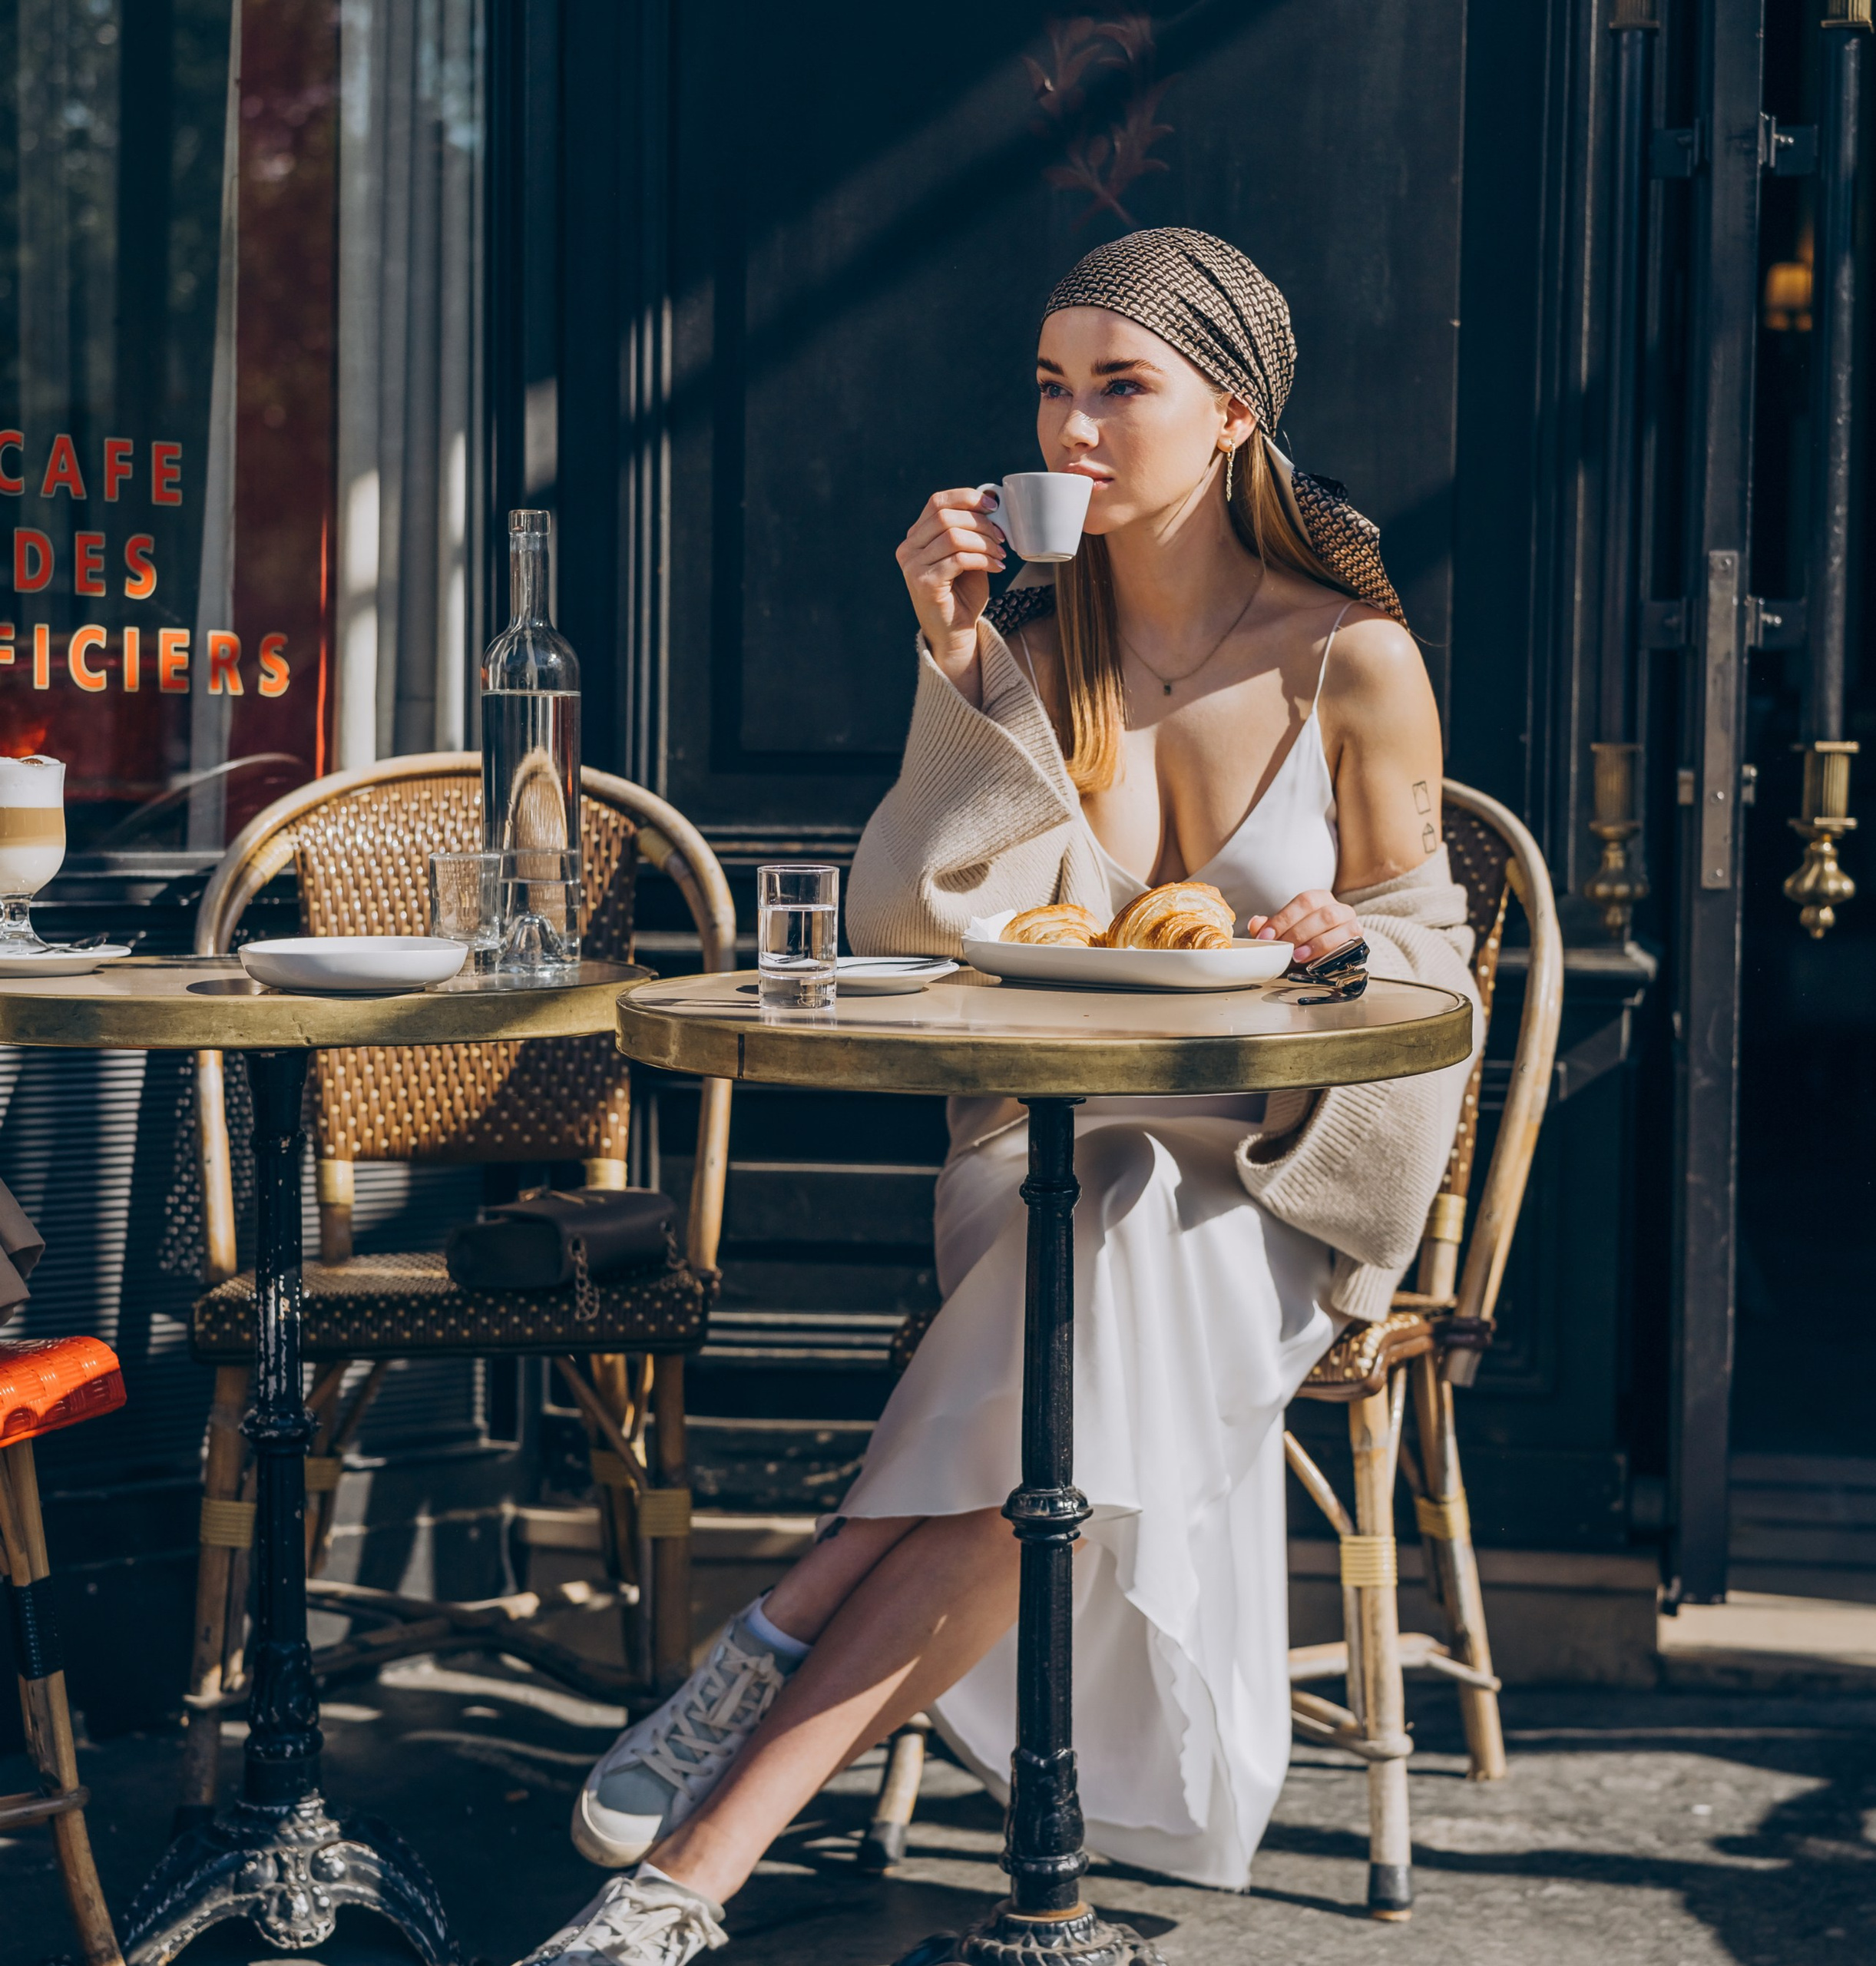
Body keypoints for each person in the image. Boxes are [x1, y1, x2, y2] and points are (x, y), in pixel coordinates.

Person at [517, 227, 1479, 1966]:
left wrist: (1348, 940)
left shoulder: (1353, 655)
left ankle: (726, 1779)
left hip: (1260, 1183)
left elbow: (1430, 961)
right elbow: (915, 919)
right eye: (1049, 384)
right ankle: (704, 1830)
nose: (1072, 424)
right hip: (1036, 1147)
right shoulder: (1034, 630)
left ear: (1234, 415)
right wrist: (954, 660)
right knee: (1090, 1271)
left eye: (1122, 384)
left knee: (1105, 1296)